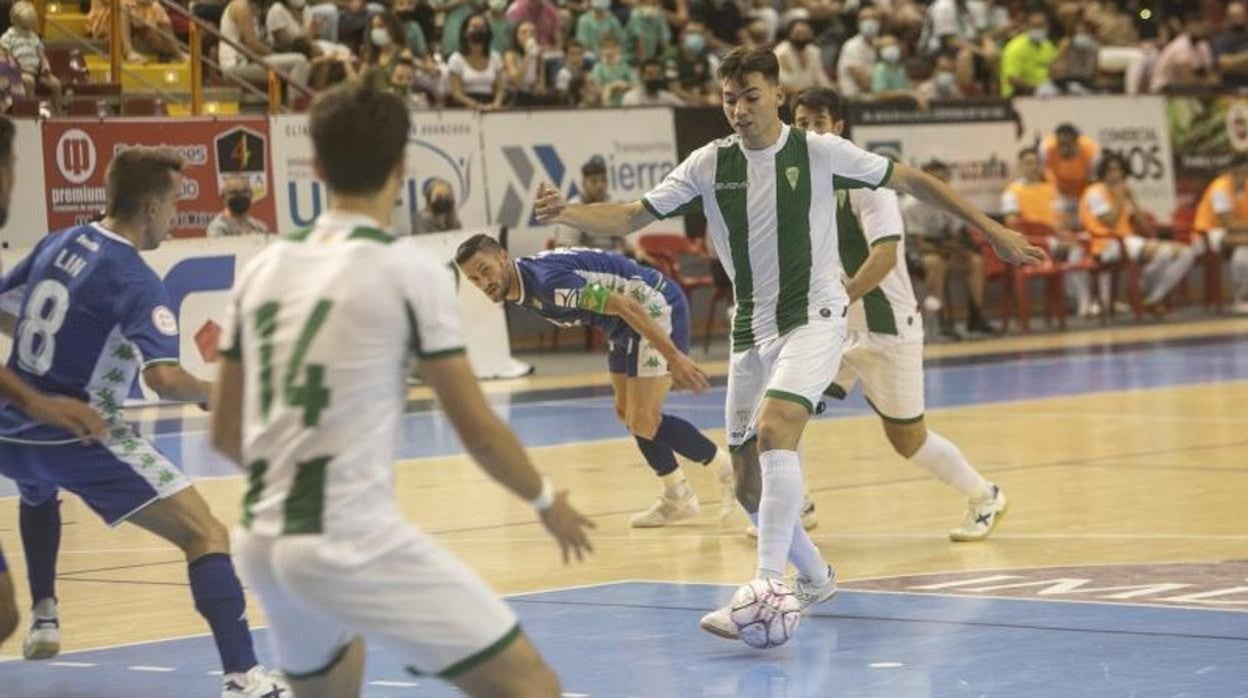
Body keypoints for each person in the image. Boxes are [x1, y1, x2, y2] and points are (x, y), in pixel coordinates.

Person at [533, 47, 1042, 643]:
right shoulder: (709, 163)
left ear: (777, 93)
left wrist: (992, 229)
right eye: (729, 99)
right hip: (751, 329)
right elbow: (628, 217)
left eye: (751, 96)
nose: (739, 109)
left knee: (777, 429)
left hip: (817, 318)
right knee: (746, 483)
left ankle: (767, 587)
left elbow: (912, 180)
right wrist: (569, 210)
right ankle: (816, 576)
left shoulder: (818, 151)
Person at [213, 78, 593, 698]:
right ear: (402, 168)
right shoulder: (408, 271)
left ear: (316, 168)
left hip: (262, 538)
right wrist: (547, 500)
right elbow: (479, 431)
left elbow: (225, 432)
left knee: (337, 676)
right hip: (349, 538)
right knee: (532, 687)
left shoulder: (264, 267)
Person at [0, 146, 288, 696]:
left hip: (8, 431)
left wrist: (55, 349)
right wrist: (220, 395)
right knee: (205, 533)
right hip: (77, 435)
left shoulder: (59, 240)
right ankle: (244, 677)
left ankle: (45, 612)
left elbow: (6, 309)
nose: (175, 216)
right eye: (174, 203)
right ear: (152, 207)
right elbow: (164, 380)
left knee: (36, 489)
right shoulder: (134, 278)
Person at [791, 87, 1007, 542]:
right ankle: (796, 506)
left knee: (908, 440)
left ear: (838, 128)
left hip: (888, 330)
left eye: (819, 123)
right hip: (836, 330)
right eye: (801, 124)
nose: (810, 132)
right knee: (783, 409)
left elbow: (885, 256)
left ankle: (984, 495)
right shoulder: (800, 183)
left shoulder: (868, 180)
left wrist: (839, 298)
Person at [457, 236, 738, 527]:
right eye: (473, 279)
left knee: (644, 419)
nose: (483, 283)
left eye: (485, 270)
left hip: (651, 307)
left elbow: (626, 304)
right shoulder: (524, 283)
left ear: (503, 257)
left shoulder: (549, 285)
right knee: (627, 413)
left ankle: (728, 469)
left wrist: (674, 357)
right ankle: (678, 496)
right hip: (620, 325)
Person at [0, 115, 108, 655]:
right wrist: (36, 401)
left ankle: (45, 608)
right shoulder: (79, 251)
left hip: (31, 408)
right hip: (36, 408)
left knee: (3, 611)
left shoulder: (56, 248)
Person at [1079, 152, 1194, 316]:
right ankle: (1142, 289)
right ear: (1103, 172)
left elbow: (1146, 227)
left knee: (1185, 254)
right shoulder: (1095, 192)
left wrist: (1132, 200)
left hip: (1128, 241)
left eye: (1118, 170)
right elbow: (1110, 221)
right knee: (1169, 253)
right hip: (1105, 245)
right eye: (1110, 170)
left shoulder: (1122, 192)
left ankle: (1151, 297)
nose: (1115, 174)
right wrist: (1120, 199)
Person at [902, 160, 998, 338]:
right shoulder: (912, 204)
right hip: (913, 253)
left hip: (942, 249)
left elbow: (954, 235)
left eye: (942, 179)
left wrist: (960, 250)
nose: (938, 183)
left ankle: (976, 318)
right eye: (934, 179)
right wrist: (947, 249)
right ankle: (939, 322)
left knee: (975, 261)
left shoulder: (951, 200)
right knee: (935, 263)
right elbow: (919, 243)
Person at [1002, 148, 1092, 317]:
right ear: (1020, 166)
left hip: (1055, 241)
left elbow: (1060, 219)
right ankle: (1074, 298)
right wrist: (1041, 233)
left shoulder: (1051, 189)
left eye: (1036, 163)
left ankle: (1082, 303)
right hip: (1031, 243)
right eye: (1028, 163)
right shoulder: (1011, 192)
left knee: (1078, 247)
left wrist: (1063, 231)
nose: (1033, 167)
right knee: (1068, 249)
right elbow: (1012, 224)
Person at [1191, 155, 1248, 312]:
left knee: (1243, 253)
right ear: (1230, 172)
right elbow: (1228, 224)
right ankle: (1241, 298)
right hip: (1207, 235)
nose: (1242, 177)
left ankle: (1241, 296)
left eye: (1245, 173)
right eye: (1239, 173)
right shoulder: (1220, 188)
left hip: (1237, 235)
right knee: (1241, 244)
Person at [219, 0, 310, 89]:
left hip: (251, 61)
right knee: (299, 61)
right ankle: (296, 99)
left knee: (306, 64)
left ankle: (294, 96)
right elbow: (253, 45)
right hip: (235, 65)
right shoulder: (240, 6)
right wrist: (275, 55)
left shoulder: (253, 7)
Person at [0, 2, 63, 112]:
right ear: (14, 21)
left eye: (28, 27)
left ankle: (58, 110)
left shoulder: (33, 37)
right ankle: (30, 109)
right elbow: (5, 54)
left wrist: (45, 66)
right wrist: (12, 64)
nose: (26, 31)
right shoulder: (8, 36)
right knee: (29, 81)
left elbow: (41, 55)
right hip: (19, 73)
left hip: (38, 72)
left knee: (56, 84)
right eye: (23, 27)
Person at [1041, 123, 1100, 230]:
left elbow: (1095, 181)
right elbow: (1042, 174)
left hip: (1084, 191)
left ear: (1077, 142)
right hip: (1060, 193)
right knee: (1057, 223)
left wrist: (1085, 202)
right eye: (1061, 144)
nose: (1064, 148)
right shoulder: (1046, 148)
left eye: (1068, 144)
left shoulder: (1091, 150)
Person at [447, 13, 507, 110]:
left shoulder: (495, 57)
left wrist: (496, 103)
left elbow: (500, 89)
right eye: (474, 27)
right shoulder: (456, 59)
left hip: (491, 106)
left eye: (482, 28)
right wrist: (477, 106)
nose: (479, 31)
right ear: (465, 32)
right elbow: (456, 93)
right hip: (466, 107)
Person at [1150, 13, 1217, 93]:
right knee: (1202, 89)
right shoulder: (1181, 45)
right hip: (1162, 88)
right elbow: (1186, 79)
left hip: (1182, 87)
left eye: (1200, 25)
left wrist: (1212, 81)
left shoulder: (1203, 45)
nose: (1198, 29)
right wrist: (1208, 82)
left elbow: (1210, 74)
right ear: (1187, 27)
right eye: (1194, 25)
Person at [999, 12, 1057, 97]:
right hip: (1018, 94)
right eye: (1035, 27)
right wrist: (1036, 89)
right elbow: (1012, 78)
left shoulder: (1048, 46)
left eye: (1041, 27)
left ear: (1047, 27)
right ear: (1027, 27)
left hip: (1046, 93)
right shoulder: (1015, 48)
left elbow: (1055, 70)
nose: (1038, 30)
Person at [773, 18, 829, 95]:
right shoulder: (781, 52)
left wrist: (827, 91)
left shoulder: (814, 51)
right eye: (798, 33)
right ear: (790, 33)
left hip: (812, 96)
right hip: (788, 97)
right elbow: (782, 83)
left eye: (805, 33)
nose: (801, 37)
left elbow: (820, 77)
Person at [835, 4, 879, 99]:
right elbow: (865, 84)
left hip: (874, 97)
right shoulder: (851, 46)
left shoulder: (878, 45)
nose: (869, 22)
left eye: (873, 18)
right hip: (854, 100)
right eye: (864, 19)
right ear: (858, 24)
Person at [503, 20, 547, 104]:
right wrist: (528, 54)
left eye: (533, 32)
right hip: (513, 96)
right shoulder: (510, 55)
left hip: (530, 95)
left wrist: (539, 87)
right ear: (516, 36)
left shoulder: (539, 56)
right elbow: (516, 82)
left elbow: (541, 82)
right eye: (524, 32)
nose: (529, 35)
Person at [590, 34, 633, 107]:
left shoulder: (624, 66)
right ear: (601, 50)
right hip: (606, 105)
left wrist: (625, 85)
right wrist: (614, 86)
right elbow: (597, 90)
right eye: (606, 47)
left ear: (618, 49)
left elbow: (634, 85)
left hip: (625, 105)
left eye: (612, 47)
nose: (609, 51)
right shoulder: (598, 68)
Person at [1214, 1, 1248, 90]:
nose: (1237, 18)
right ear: (1227, 17)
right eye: (1234, 15)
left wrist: (1234, 62)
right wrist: (1245, 57)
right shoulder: (1222, 37)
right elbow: (1223, 63)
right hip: (1230, 87)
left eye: (1239, 15)